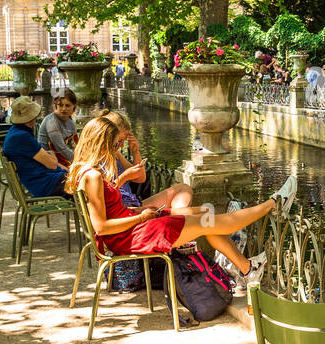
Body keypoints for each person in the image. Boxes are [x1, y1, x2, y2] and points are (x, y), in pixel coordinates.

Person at [68, 116, 297, 283]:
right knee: (209, 222)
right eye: (116, 144)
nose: (118, 149)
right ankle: (273, 204)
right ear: (101, 143)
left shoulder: (89, 172)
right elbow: (102, 227)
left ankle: (246, 268)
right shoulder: (94, 176)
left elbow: (111, 214)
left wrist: (140, 213)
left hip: (134, 228)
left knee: (206, 214)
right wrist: (141, 217)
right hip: (133, 236)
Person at [2, 97, 69, 197]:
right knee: (88, 181)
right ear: (32, 117)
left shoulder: (15, 131)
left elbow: (48, 160)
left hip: (39, 180)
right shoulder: (22, 136)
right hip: (44, 184)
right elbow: (52, 164)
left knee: (82, 176)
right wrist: (53, 155)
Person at [96, 108, 149, 206]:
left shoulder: (116, 154)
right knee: (184, 213)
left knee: (182, 189)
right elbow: (105, 194)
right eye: (119, 140)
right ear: (108, 135)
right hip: (121, 207)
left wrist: (135, 152)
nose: (121, 145)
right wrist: (125, 177)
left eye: (123, 141)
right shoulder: (97, 159)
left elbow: (140, 179)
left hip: (131, 202)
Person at [38, 92, 78, 165]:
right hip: (50, 162)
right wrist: (78, 160)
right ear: (55, 105)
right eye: (60, 105)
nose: (63, 109)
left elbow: (75, 144)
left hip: (63, 159)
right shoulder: (52, 121)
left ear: (74, 106)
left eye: (67, 106)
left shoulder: (70, 122)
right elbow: (61, 148)